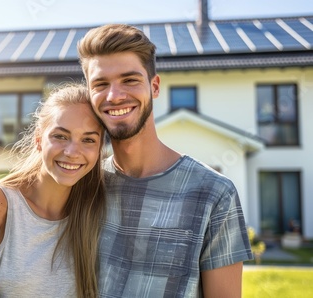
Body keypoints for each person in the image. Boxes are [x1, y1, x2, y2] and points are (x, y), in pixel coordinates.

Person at [77, 24, 253, 297]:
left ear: (154, 86)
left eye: (130, 80)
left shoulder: (214, 193)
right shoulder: (83, 185)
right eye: (100, 84)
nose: (115, 95)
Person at [0, 83, 106, 298]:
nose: (73, 152)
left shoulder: (98, 210)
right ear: (38, 139)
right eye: (60, 136)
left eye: (88, 140)